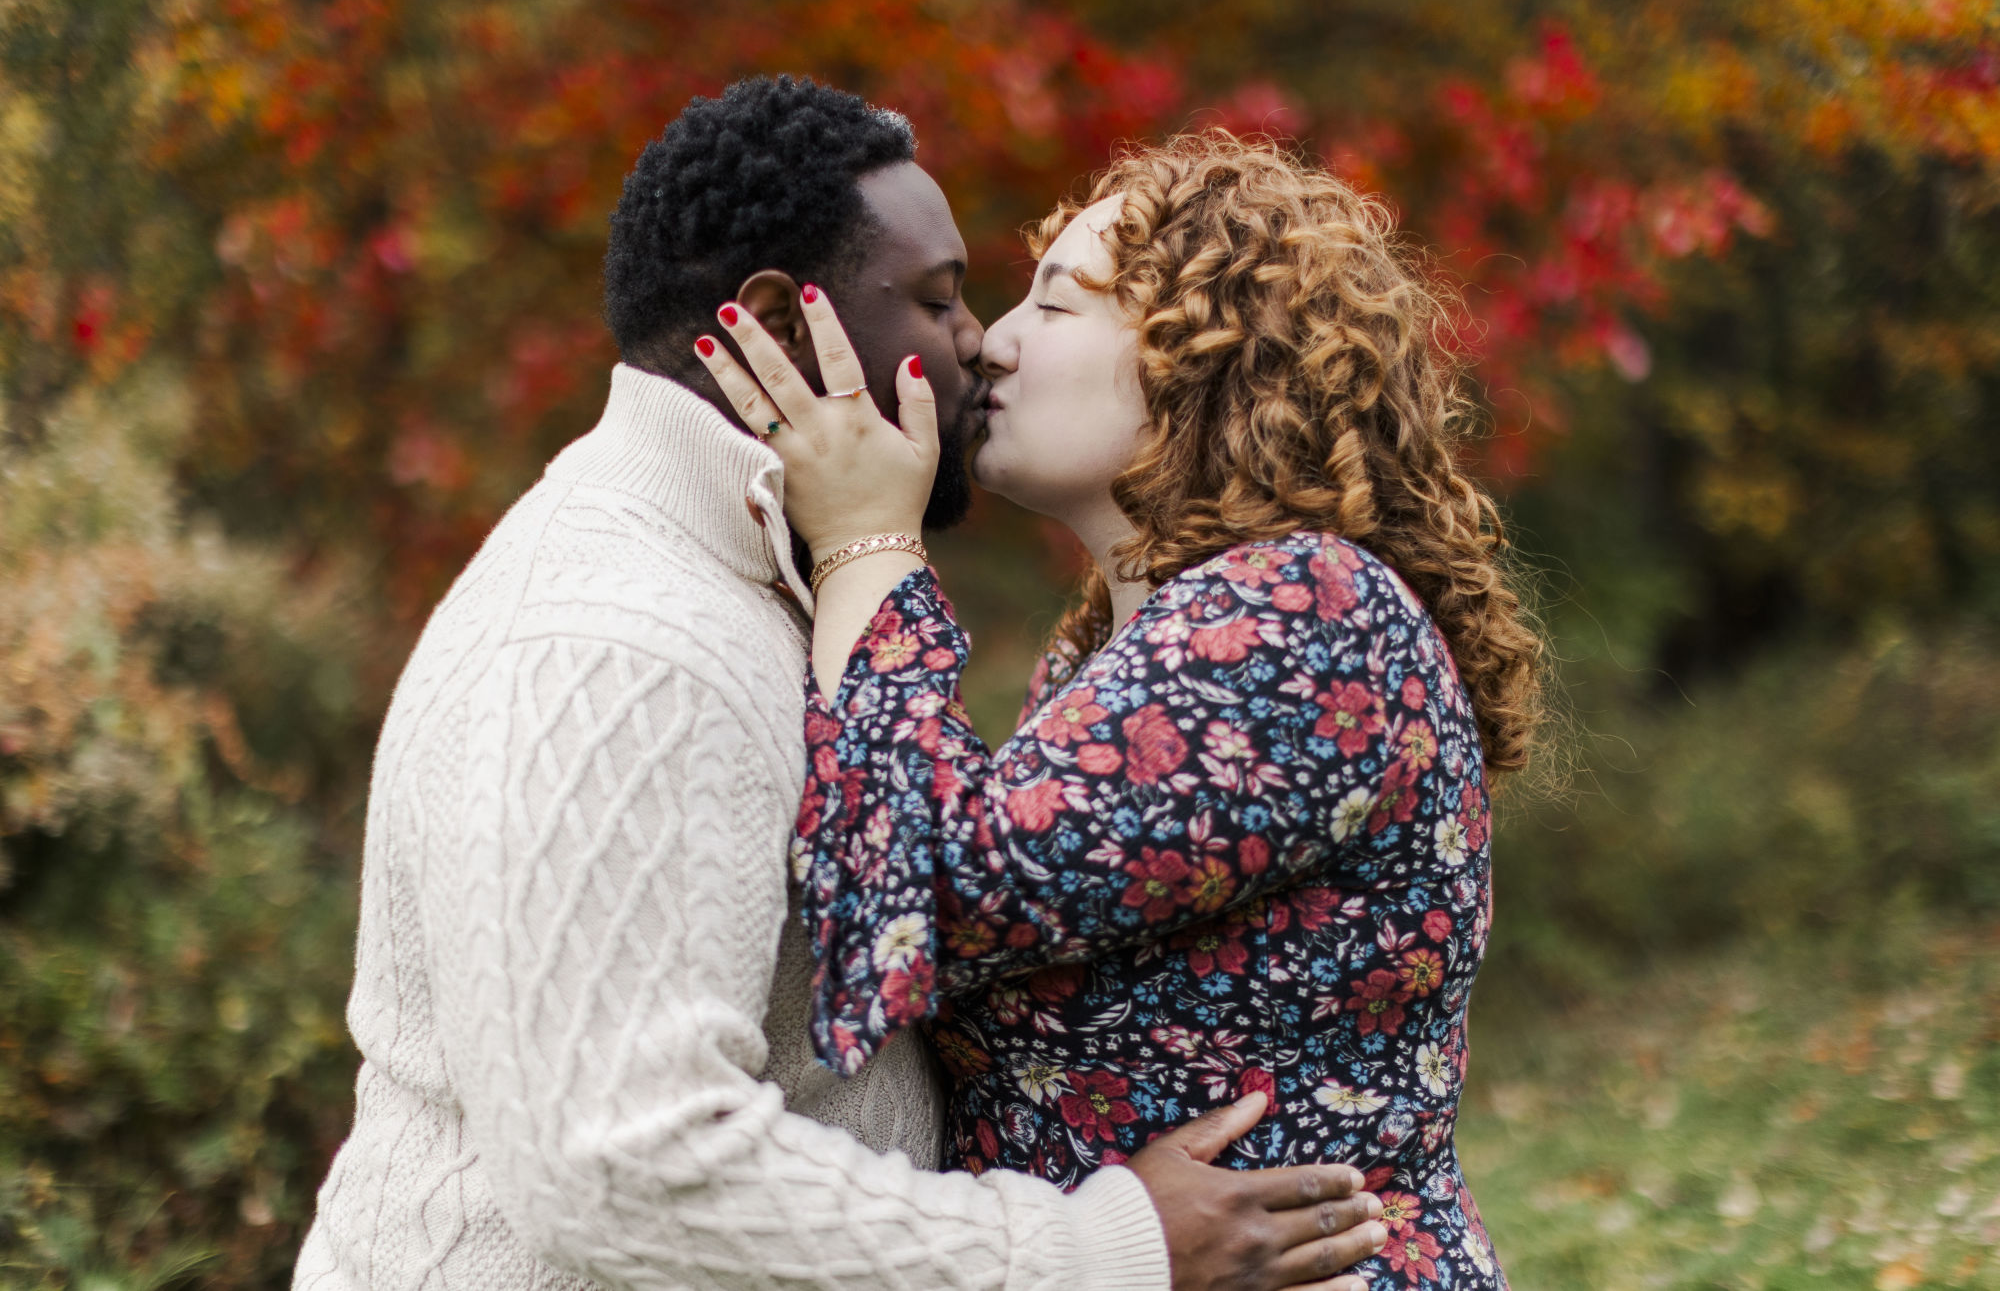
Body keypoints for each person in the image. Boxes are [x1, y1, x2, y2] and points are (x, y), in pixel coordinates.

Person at [295, 79, 1388, 1290]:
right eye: (935, 298)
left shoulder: (764, 591)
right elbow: (627, 1172)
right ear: (777, 323)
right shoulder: (617, 643)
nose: (978, 339)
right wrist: (1099, 1250)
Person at [695, 132, 1545, 1290]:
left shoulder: (1305, 612)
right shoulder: (1118, 647)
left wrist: (865, 540)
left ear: (1203, 352)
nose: (988, 342)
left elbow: (930, 894)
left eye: (1053, 305)